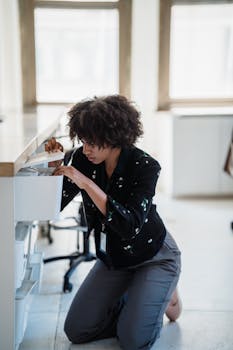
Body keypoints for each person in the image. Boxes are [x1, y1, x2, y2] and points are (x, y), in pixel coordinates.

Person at [45, 95, 182, 350]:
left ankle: (165, 290)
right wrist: (54, 168)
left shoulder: (145, 166)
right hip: (116, 257)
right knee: (77, 329)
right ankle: (139, 299)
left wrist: (86, 183)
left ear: (115, 136)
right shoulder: (83, 159)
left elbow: (129, 226)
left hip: (154, 255)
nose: (87, 149)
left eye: (94, 142)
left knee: (132, 340)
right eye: (84, 140)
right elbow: (56, 204)